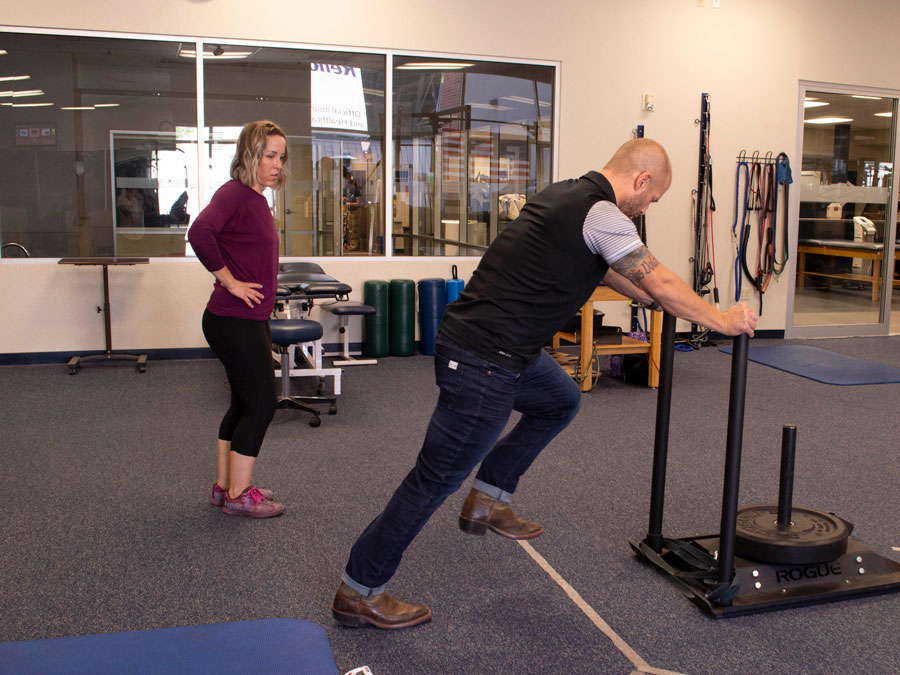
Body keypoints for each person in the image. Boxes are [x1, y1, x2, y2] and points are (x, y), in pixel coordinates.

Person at [330, 138, 758, 628]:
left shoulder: (568, 196)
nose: (647, 207)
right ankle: (359, 590)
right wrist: (721, 319)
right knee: (432, 481)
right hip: (484, 359)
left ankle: (488, 498)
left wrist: (649, 295)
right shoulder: (603, 214)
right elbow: (658, 278)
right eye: (652, 198)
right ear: (641, 182)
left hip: (501, 351)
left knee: (559, 398)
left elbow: (617, 270)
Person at [187, 120, 288, 519]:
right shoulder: (234, 194)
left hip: (247, 318)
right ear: (250, 156)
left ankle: (225, 486)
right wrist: (228, 281)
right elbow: (199, 233)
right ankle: (240, 495)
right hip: (233, 319)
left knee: (243, 402)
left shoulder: (256, 199)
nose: (278, 164)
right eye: (269, 155)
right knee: (263, 404)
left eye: (281, 157)